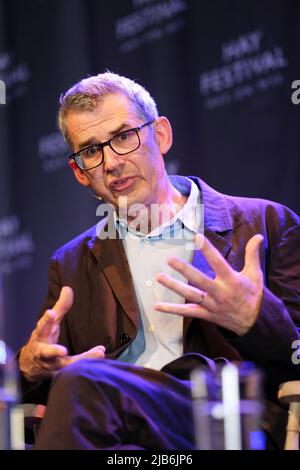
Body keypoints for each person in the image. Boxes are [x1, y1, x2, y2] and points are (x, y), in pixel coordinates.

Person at [19, 72, 300, 450]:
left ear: (161, 135)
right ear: (79, 173)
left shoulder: (266, 224)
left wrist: (255, 321)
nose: (111, 163)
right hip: (122, 441)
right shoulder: (70, 263)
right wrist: (30, 365)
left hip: (221, 422)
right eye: (91, 151)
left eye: (123, 137)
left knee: (85, 381)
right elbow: (40, 375)